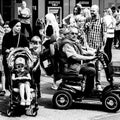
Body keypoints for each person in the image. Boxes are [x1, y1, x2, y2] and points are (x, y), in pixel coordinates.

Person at [58, 27, 96, 95]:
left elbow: (81, 51)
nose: (74, 35)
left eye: (76, 34)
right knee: (92, 70)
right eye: (72, 33)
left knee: (91, 66)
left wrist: (93, 53)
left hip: (75, 66)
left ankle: (88, 89)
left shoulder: (72, 43)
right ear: (68, 34)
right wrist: (90, 58)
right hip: (70, 68)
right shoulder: (66, 44)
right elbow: (75, 56)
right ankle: (88, 92)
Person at [2, 19, 29, 91]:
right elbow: (3, 48)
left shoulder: (22, 36)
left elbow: (26, 46)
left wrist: (26, 50)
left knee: (21, 76)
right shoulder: (7, 36)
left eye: (20, 26)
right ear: (12, 27)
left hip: (20, 60)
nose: (19, 28)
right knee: (10, 78)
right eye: (17, 26)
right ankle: (12, 93)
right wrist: (8, 50)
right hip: (9, 61)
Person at [84, 5, 107, 91]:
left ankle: (98, 84)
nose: (91, 12)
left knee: (98, 67)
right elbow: (84, 32)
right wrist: (85, 44)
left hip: (98, 47)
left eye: (93, 11)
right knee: (89, 67)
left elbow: (104, 34)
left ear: (97, 11)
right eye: (91, 10)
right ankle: (89, 86)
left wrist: (102, 47)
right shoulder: (88, 20)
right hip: (89, 48)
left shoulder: (102, 21)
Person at [44, 13, 60, 89]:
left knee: (48, 61)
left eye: (46, 18)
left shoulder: (49, 26)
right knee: (54, 63)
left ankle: (50, 75)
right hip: (53, 44)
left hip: (50, 45)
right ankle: (54, 81)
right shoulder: (55, 25)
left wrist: (44, 36)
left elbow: (50, 36)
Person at [0, 21, 11, 96]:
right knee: (2, 71)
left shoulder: (11, 36)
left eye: (7, 27)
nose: (6, 29)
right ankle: (3, 88)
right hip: (1, 54)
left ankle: (7, 87)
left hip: (9, 55)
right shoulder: (2, 35)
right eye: (5, 27)